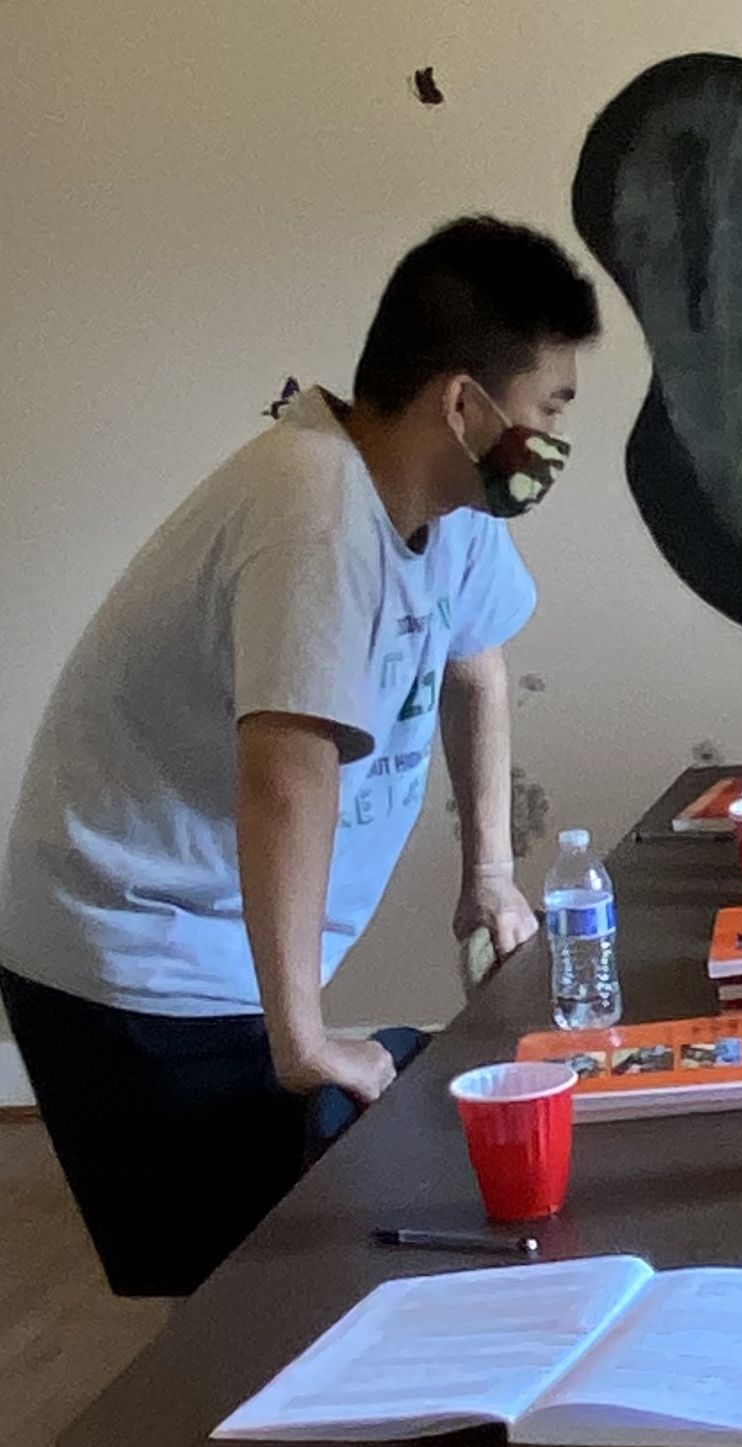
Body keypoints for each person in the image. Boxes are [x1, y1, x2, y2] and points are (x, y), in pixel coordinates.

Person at [0, 216, 601, 1296]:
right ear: (462, 405)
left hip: (208, 951)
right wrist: (302, 1038)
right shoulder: (315, 508)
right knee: (236, 1304)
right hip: (138, 961)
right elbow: (287, 771)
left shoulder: (448, 503)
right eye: (548, 407)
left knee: (292, 1272)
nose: (553, 438)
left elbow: (476, 664)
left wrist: (489, 879)